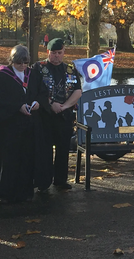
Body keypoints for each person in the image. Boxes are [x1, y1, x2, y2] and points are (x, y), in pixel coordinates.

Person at [0, 45, 49, 203]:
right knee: (9, 160)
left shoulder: (33, 75)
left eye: (25, 63)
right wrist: (17, 106)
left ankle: (25, 192)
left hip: (30, 125)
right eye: (19, 63)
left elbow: (43, 93)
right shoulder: (1, 76)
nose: (22, 66)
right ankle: (5, 193)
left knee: (27, 158)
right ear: (12, 61)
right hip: (9, 126)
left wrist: (37, 103)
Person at [32, 38, 82, 190]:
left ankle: (60, 180)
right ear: (48, 52)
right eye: (53, 53)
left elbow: (78, 91)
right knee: (44, 150)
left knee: (63, 149)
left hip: (64, 116)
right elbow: (34, 90)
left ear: (63, 52)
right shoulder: (39, 68)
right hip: (44, 115)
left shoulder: (70, 70)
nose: (56, 56)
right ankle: (43, 182)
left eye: (59, 53)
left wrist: (65, 106)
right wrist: (50, 104)